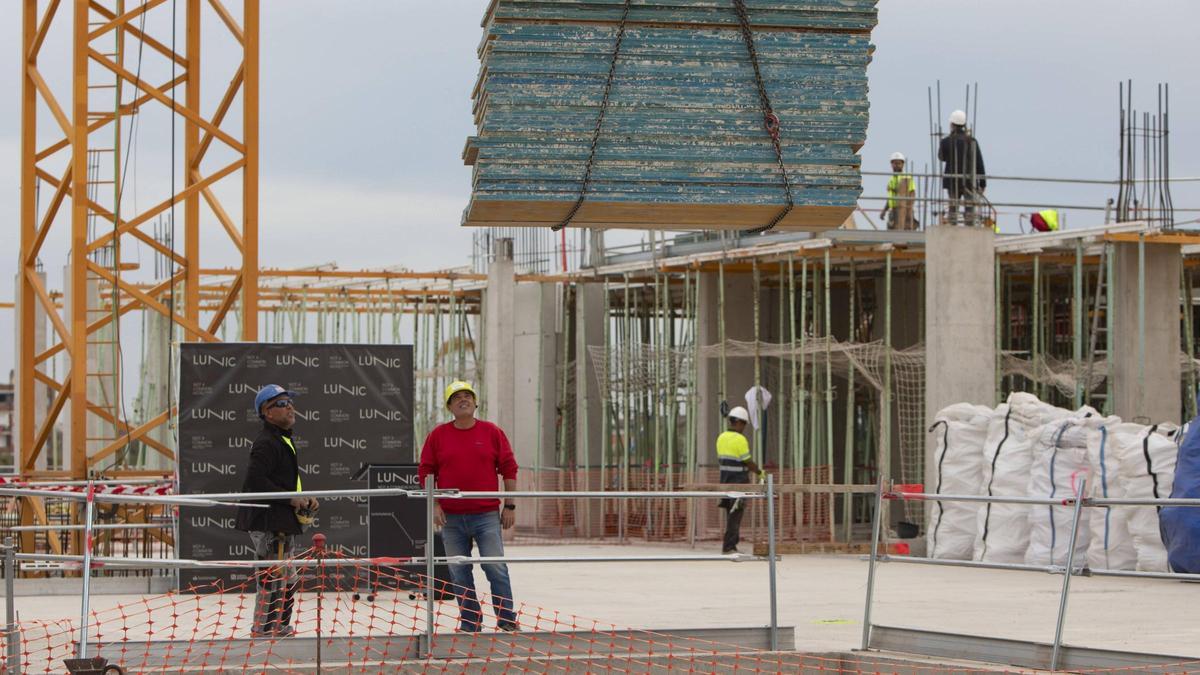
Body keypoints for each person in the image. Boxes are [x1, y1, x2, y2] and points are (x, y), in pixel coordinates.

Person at [418, 380, 520, 632]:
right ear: (450, 406)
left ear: (475, 403)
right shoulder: (438, 436)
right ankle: (470, 621)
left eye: (467, 396)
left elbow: (509, 467)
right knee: (458, 570)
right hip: (451, 518)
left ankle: (507, 619)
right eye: (456, 397)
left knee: (495, 566)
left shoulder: (492, 432)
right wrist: (434, 505)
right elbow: (426, 471)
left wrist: (510, 505)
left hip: (485, 514)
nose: (463, 400)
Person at [234, 384, 318, 638]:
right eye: (281, 404)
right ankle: (263, 629)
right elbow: (255, 481)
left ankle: (279, 626)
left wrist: (303, 499)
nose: (290, 407)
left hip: (280, 521)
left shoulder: (282, 439)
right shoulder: (266, 443)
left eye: (289, 402)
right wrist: (290, 499)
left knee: (287, 578)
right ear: (266, 412)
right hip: (269, 523)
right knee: (272, 578)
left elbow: (283, 482)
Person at [716, 406, 761, 554]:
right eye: (744, 424)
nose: (744, 428)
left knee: (731, 514)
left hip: (725, 482)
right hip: (739, 484)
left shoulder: (721, 437)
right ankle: (729, 546)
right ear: (740, 423)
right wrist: (760, 473)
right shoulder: (740, 439)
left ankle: (731, 545)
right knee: (735, 516)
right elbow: (747, 461)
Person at [938, 110, 987, 225]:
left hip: (952, 180)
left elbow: (941, 157)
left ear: (952, 125)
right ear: (964, 125)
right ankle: (969, 226)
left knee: (953, 207)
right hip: (969, 181)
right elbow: (979, 163)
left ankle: (952, 225)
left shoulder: (946, 142)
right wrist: (982, 183)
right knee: (969, 207)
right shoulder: (972, 141)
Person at [879, 152, 917, 230]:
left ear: (902, 164)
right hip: (893, 210)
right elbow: (890, 198)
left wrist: (908, 210)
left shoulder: (907, 178)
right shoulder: (891, 180)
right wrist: (884, 210)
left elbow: (912, 195)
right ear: (891, 164)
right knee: (893, 233)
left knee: (903, 233)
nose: (896, 165)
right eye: (894, 163)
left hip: (903, 210)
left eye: (898, 163)